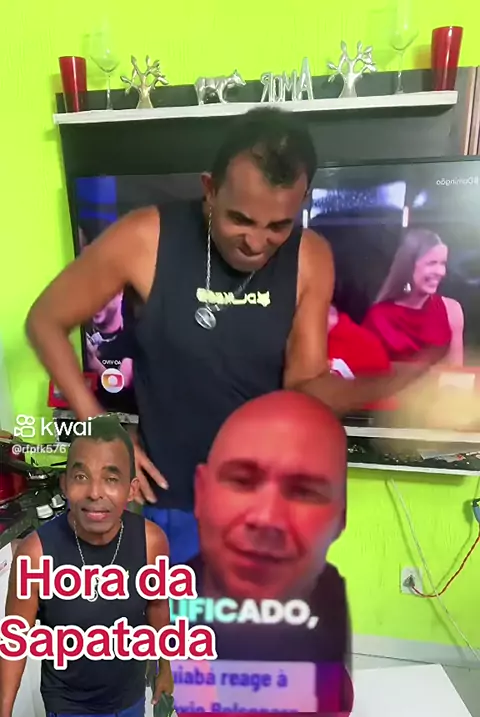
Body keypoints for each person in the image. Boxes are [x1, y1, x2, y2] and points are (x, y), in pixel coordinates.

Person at [25, 108, 443, 565]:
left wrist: (392, 384)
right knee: (179, 613)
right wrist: (100, 425)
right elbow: (45, 320)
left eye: (278, 225)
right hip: (176, 504)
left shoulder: (310, 257)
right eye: (240, 219)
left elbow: (305, 389)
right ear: (210, 189)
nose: (256, 243)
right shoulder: (146, 238)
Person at [0, 416, 173, 717]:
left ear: (131, 489)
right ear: (65, 484)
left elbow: (158, 605)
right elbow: (14, 642)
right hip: (71, 712)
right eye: (81, 476)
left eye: (111, 478)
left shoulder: (151, 542)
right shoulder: (36, 554)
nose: (95, 492)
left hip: (130, 700)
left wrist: (165, 668)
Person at [181, 390, 350, 713]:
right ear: (201, 493)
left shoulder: (331, 599)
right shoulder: (172, 603)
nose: (267, 518)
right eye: (242, 481)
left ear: (340, 518)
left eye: (304, 491)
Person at [362, 229, 464, 365]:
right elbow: (367, 372)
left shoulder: (452, 310)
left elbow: (456, 371)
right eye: (432, 263)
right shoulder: (378, 318)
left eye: (442, 264)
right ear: (409, 266)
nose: (440, 272)